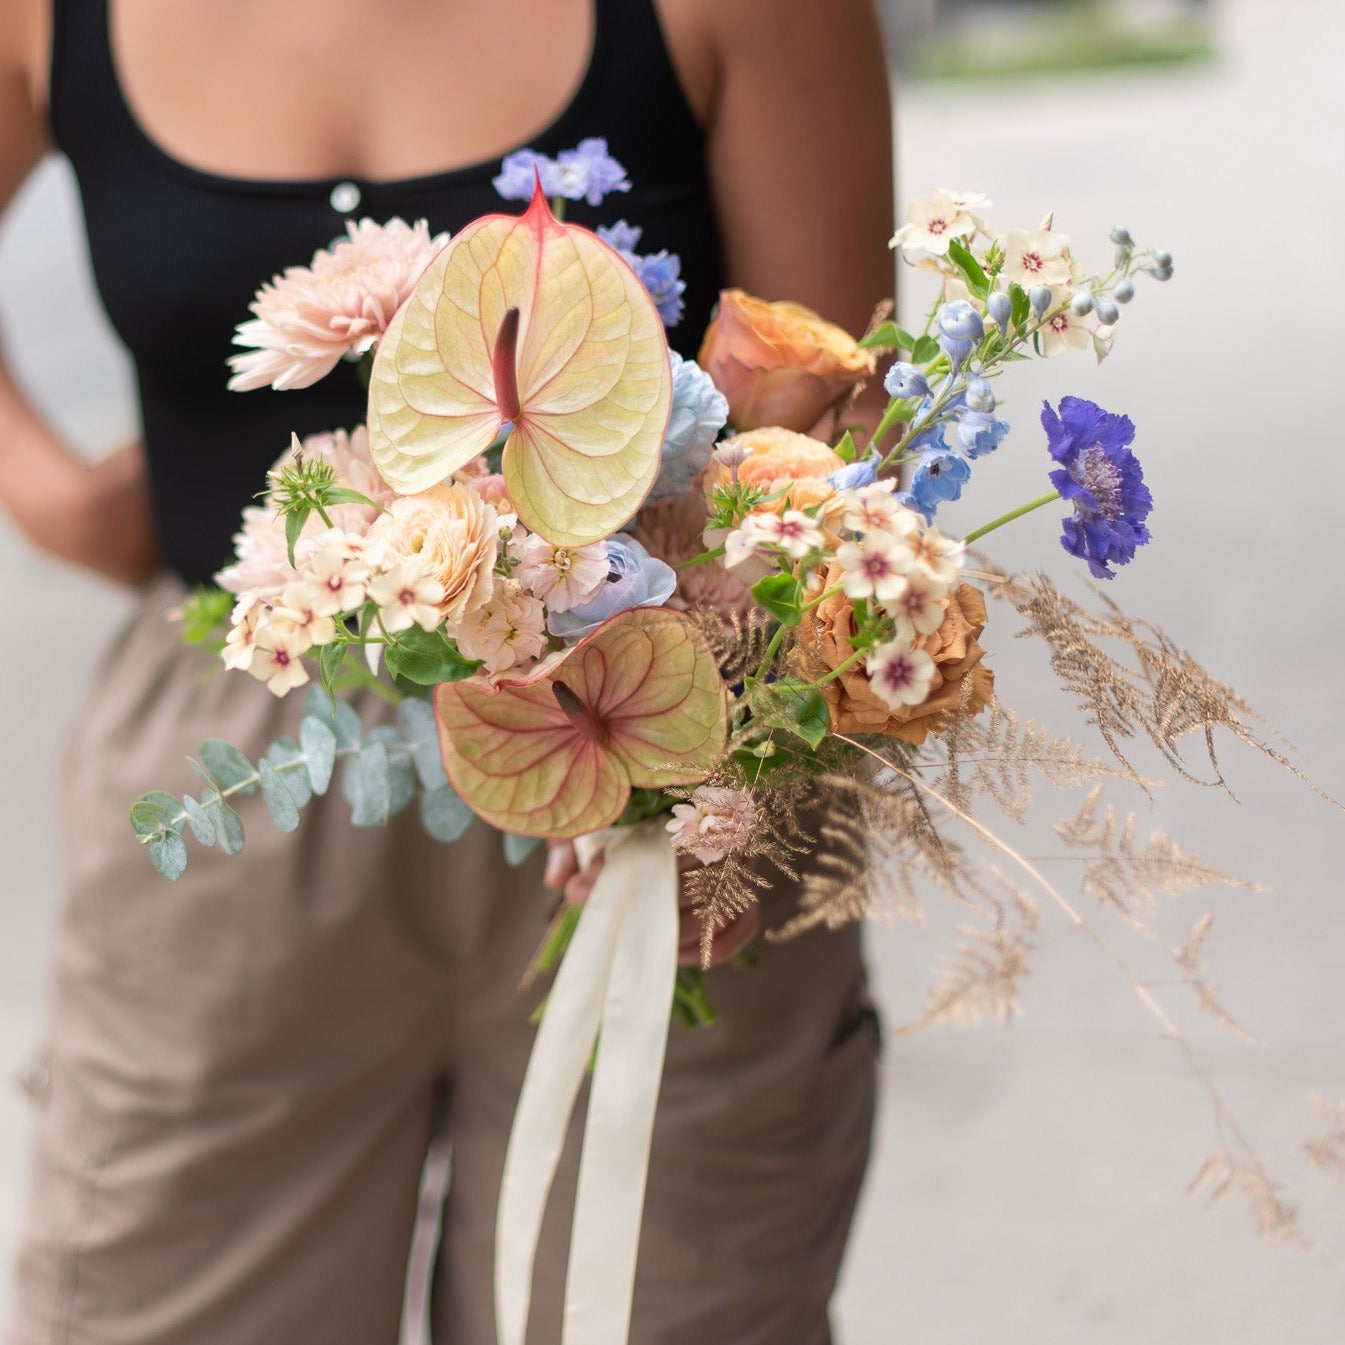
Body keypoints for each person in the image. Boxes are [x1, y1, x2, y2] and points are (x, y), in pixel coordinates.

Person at [0, 1, 894, 1341]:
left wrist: (735, 768)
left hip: (660, 766)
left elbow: (832, 423)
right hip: (231, 797)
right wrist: (53, 495)